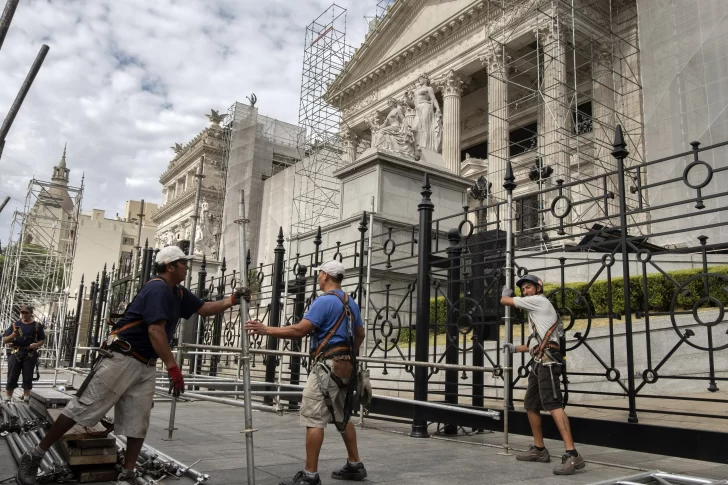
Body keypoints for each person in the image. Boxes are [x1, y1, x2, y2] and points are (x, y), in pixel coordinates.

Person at [15, 246, 251, 485]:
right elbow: (155, 331)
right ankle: (34, 456)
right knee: (82, 408)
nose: (186, 267)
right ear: (170, 266)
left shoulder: (177, 292)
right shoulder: (158, 289)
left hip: (145, 364)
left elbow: (203, 308)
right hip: (122, 359)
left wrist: (232, 300)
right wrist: (173, 368)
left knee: (138, 422)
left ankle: (127, 474)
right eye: (183, 263)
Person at [245, 260, 366, 485]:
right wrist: (349, 354)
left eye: (319, 273)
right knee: (343, 414)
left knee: (314, 418)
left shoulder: (324, 302)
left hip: (327, 367)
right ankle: (355, 464)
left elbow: (300, 330)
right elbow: (359, 334)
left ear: (326, 276)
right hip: (346, 366)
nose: (318, 277)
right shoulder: (351, 303)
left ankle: (309, 475)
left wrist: (265, 329)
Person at [500, 274, 585, 476]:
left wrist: (505, 294)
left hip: (548, 364)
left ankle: (573, 454)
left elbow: (505, 301)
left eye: (528, 287)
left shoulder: (539, 301)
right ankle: (540, 450)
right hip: (539, 362)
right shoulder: (536, 311)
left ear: (538, 287)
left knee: (554, 406)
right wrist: (516, 348)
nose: (525, 292)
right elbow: (537, 342)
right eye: (523, 289)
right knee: (531, 405)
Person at [2, 305, 45, 403]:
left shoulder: (37, 326)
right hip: (15, 352)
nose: (24, 315)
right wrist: (12, 335)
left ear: (31, 313)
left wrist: (37, 344)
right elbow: (4, 340)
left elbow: (42, 339)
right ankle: (8, 399)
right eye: (22, 313)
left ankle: (26, 399)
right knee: (12, 376)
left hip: (30, 353)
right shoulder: (14, 325)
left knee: (28, 377)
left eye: (26, 313)